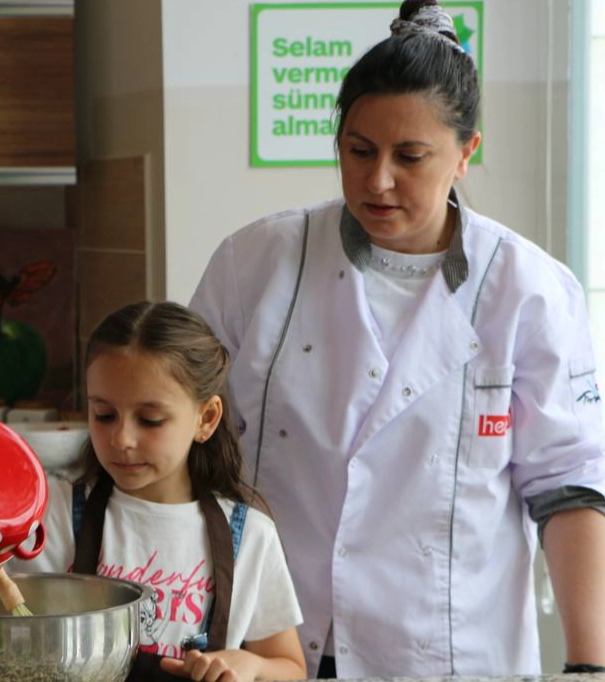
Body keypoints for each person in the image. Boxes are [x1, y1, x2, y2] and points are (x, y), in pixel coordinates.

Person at [188, 0, 605, 678]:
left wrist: (589, 666)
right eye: (358, 151)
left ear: (466, 152)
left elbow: (569, 490)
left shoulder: (525, 289)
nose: (376, 180)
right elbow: (187, 435)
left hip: (450, 651)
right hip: (272, 641)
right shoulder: (255, 262)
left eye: (409, 157)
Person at [0, 300, 307, 682]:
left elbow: (288, 665)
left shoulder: (249, 535)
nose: (122, 438)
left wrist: (248, 666)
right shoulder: (52, 513)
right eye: (104, 415)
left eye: (150, 420)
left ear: (206, 419)